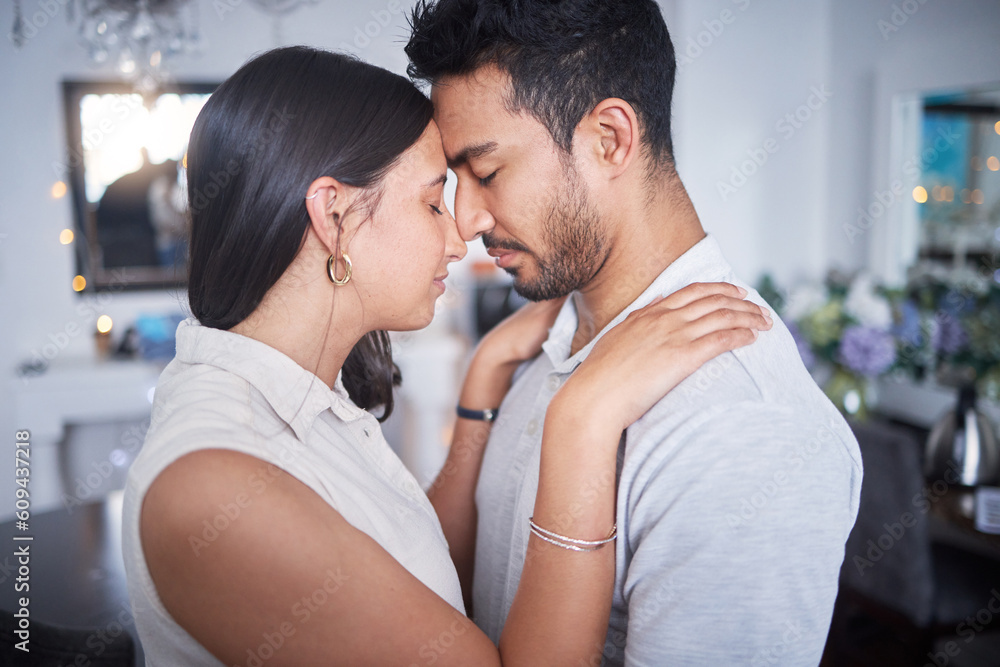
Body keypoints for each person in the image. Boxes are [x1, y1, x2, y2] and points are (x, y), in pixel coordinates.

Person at [120, 46, 772, 666]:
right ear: (334, 213)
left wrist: (481, 389)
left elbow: (419, 596)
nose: (460, 235)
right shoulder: (216, 490)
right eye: (435, 200)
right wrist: (583, 419)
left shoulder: (303, 397)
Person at [405, 1, 864, 665]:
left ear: (611, 139)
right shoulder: (546, 340)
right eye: (455, 181)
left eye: (488, 171)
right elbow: (460, 599)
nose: (467, 218)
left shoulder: (743, 426)